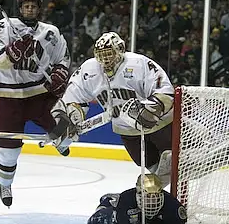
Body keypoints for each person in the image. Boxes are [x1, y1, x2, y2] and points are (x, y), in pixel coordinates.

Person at [50, 32, 174, 187]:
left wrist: (150, 110)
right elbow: (73, 97)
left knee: (172, 162)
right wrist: (67, 120)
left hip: (160, 126)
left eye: (109, 54)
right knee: (154, 167)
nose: (105, 60)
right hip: (128, 132)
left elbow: (165, 90)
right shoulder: (89, 69)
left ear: (120, 50)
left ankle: (182, 167)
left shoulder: (138, 63)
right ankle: (155, 191)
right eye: (101, 55)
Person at [0, 0, 71, 207]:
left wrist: (60, 73)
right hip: (8, 95)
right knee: (9, 152)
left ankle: (59, 138)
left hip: (38, 92)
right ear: (20, 8)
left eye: (34, 5)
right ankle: (5, 184)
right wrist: (12, 53)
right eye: (26, 6)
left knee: (66, 132)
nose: (30, 9)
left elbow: (63, 58)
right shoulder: (4, 27)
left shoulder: (50, 32)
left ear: (39, 8)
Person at [87, 173, 197, 224]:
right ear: (138, 194)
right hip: (123, 215)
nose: (151, 201)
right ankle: (109, 201)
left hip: (151, 222)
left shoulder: (173, 207)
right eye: (147, 197)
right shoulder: (126, 201)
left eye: (155, 197)